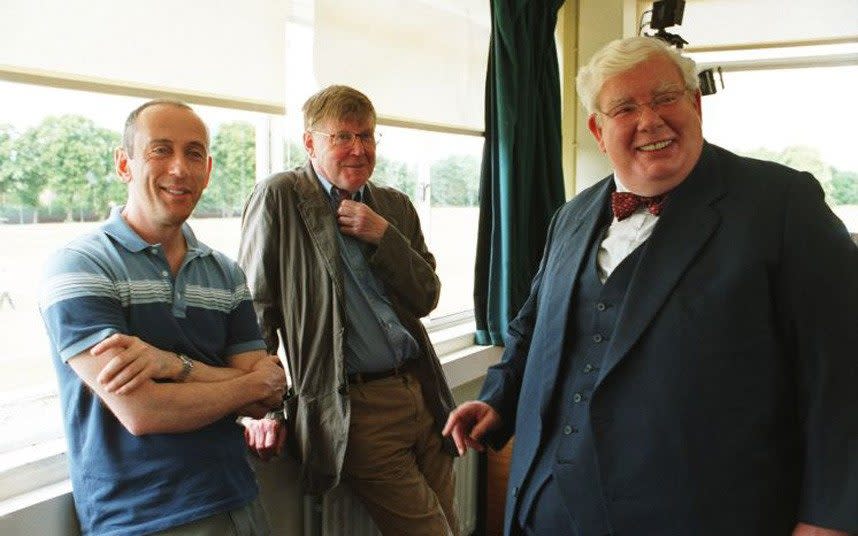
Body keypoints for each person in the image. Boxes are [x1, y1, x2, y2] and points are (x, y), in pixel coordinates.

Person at [444, 36, 857, 536]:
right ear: (599, 129)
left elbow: (841, 368)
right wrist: (498, 399)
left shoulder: (783, 204)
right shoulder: (569, 217)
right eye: (624, 108)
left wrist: (829, 517)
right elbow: (535, 328)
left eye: (665, 98)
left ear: (696, 104)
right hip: (545, 507)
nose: (650, 120)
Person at [39, 99, 287, 536]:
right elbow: (143, 410)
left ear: (208, 170)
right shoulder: (79, 265)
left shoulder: (225, 273)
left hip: (240, 501)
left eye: (194, 153)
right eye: (160, 150)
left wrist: (173, 366)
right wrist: (244, 382)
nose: (179, 168)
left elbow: (265, 399)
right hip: (140, 517)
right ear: (124, 164)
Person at [238, 85, 459, 536]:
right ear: (310, 142)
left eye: (368, 136)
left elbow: (427, 296)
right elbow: (255, 308)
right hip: (356, 409)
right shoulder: (279, 197)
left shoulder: (393, 204)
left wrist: (385, 237)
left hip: (422, 392)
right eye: (342, 137)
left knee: (451, 525)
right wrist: (261, 407)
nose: (358, 149)